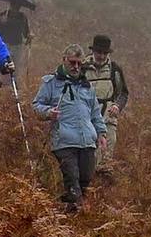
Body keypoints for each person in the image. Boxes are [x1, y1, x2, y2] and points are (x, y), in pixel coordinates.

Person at [33, 44, 108, 213]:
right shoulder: (50, 82)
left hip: (87, 140)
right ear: (64, 60)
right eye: (72, 62)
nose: (76, 67)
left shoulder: (86, 86)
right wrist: (48, 112)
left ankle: (69, 213)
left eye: (79, 64)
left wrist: (101, 133)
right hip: (64, 141)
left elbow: (95, 112)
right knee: (72, 180)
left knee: (86, 180)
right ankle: (75, 218)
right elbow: (36, 105)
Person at [82, 35, 130, 174]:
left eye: (105, 53)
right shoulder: (82, 68)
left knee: (107, 151)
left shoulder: (115, 70)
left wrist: (117, 106)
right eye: (98, 52)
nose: (102, 56)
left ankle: (103, 184)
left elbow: (123, 93)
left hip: (108, 117)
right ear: (93, 51)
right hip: (86, 116)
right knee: (88, 152)